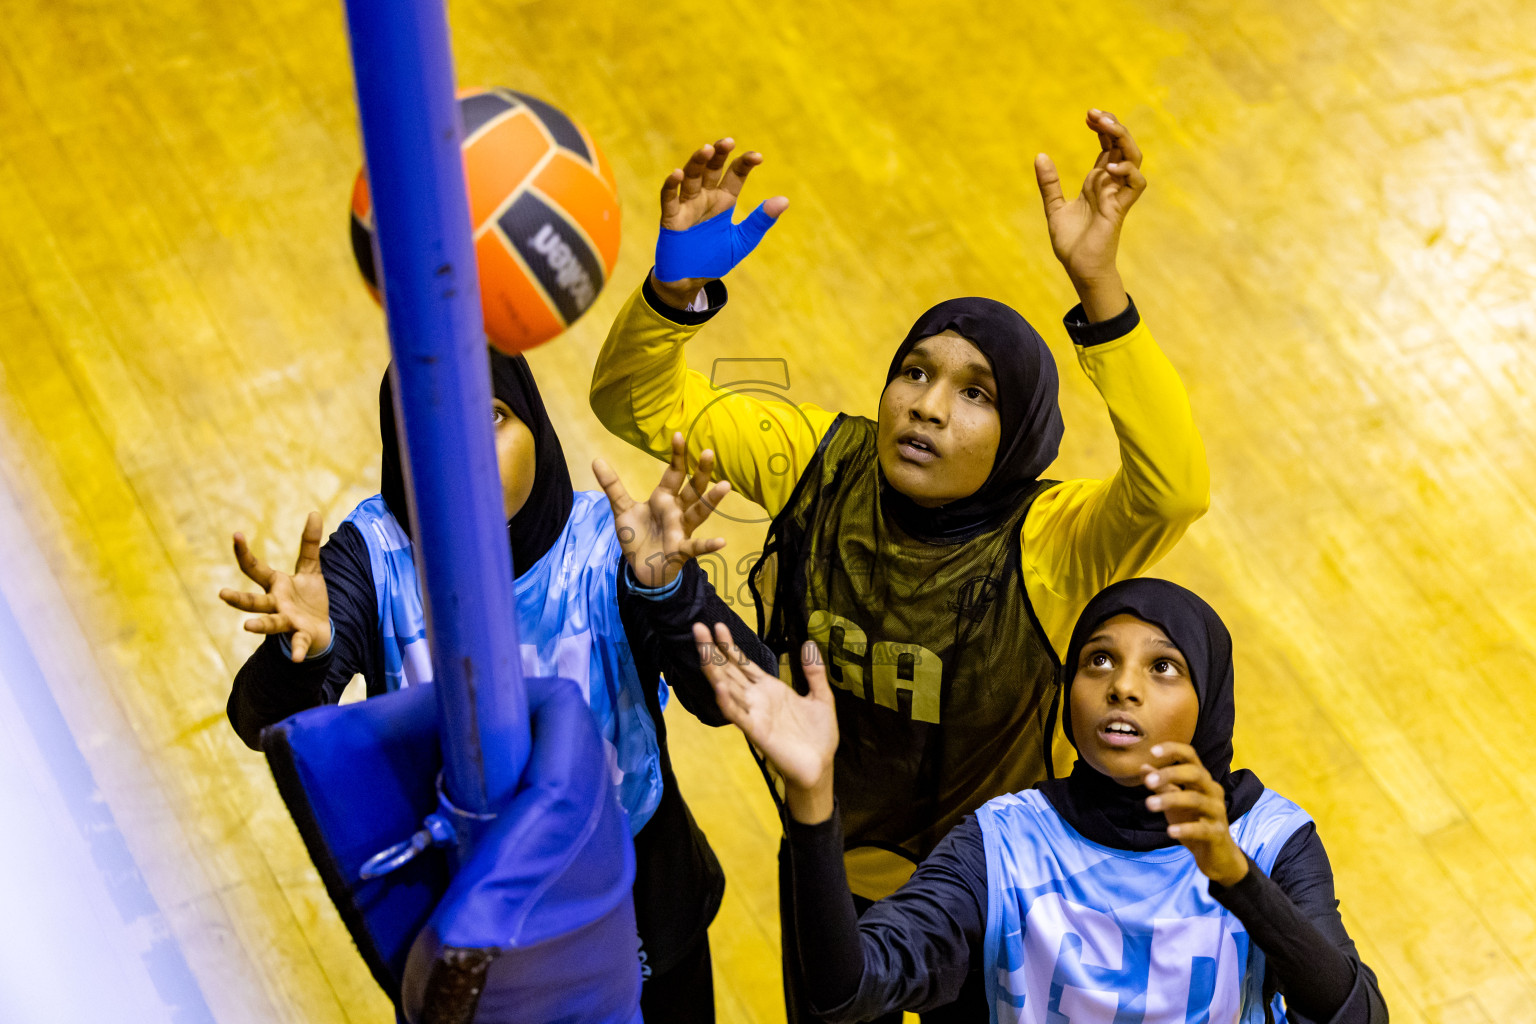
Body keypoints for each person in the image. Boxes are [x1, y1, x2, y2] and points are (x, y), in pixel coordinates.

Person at [591, 108, 1209, 1019]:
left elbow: (1173, 492)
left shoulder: (1053, 539)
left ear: (1021, 435)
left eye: (974, 394)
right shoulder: (814, 462)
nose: (926, 407)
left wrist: (1102, 287)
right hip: (827, 861)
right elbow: (634, 401)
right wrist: (674, 290)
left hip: (998, 891)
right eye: (914, 373)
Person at [219, 351, 732, 1023]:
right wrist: (300, 660)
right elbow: (262, 722)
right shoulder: (373, 556)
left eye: (491, 416)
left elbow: (734, 700)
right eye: (429, 427)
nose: (461, 449)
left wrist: (671, 595)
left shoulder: (613, 548)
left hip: (634, 881)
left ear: (536, 429)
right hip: (467, 899)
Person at [696, 577, 1389, 1023]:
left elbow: (1355, 1016)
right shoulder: (1002, 842)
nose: (1123, 687)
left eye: (1163, 667)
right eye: (1099, 660)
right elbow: (846, 990)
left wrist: (1234, 876)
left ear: (1208, 703)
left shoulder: (1272, 839)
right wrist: (814, 798)